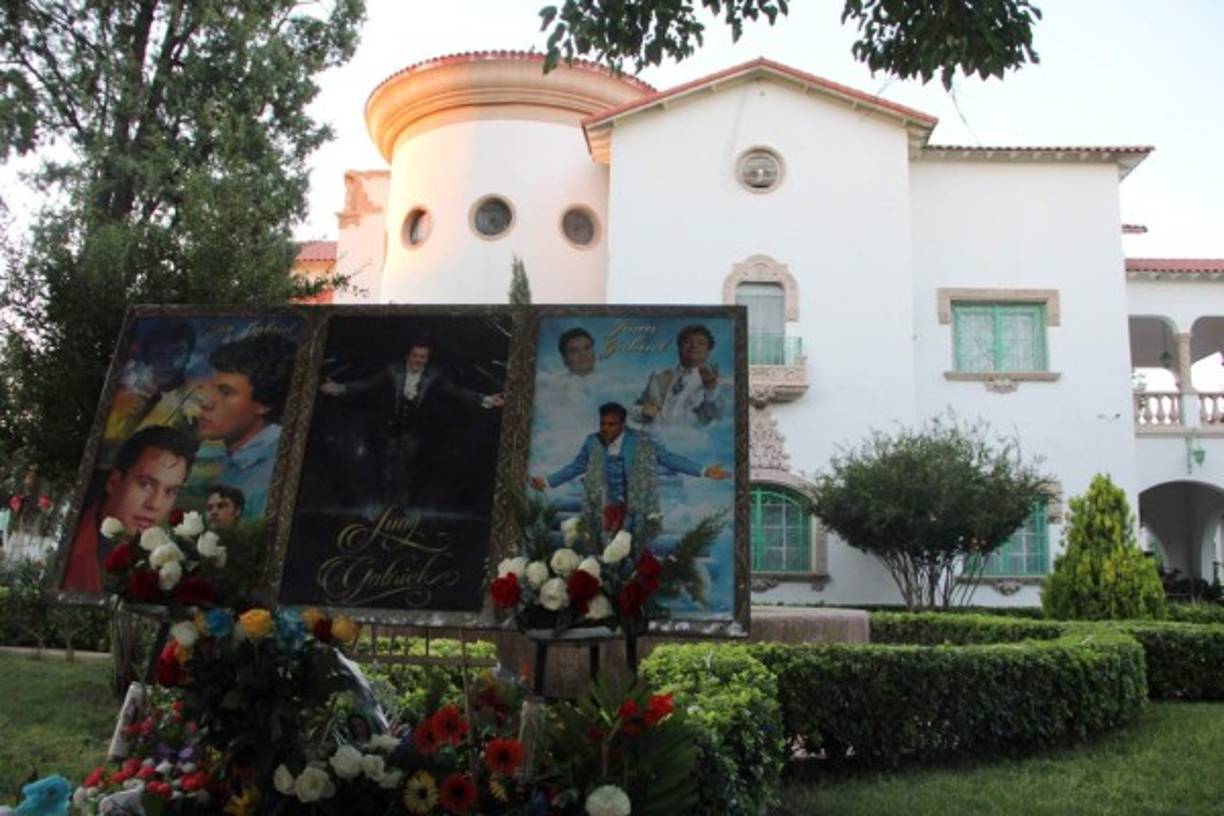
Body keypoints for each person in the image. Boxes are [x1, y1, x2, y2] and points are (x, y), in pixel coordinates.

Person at [320, 341, 504, 504]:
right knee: (386, 467)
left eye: (423, 357)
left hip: (416, 428)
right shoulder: (393, 370)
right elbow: (367, 384)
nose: (418, 360)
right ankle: (386, 507)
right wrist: (338, 388)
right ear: (408, 356)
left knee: (407, 469)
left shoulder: (434, 375)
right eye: (415, 356)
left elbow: (457, 391)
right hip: (390, 425)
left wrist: (485, 399)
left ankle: (400, 508)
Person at [530, 402, 729, 536]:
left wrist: (704, 471)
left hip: (637, 507)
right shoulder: (592, 441)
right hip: (603, 507)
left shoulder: (641, 441)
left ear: (623, 424)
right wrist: (547, 482)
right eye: (603, 423)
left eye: (611, 424)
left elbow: (669, 459)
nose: (606, 428)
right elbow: (576, 466)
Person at [62, 426, 198, 593]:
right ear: (114, 481)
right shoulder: (71, 541)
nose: (154, 504)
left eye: (170, 492)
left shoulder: (165, 563)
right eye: (146, 484)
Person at [196, 332, 295, 518]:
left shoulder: (276, 466)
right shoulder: (235, 458)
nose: (206, 402)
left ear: (264, 403)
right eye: (210, 389)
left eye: (225, 392)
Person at [105, 321, 201, 446]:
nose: (168, 361)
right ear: (149, 356)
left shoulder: (193, 404)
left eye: (177, 352)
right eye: (160, 354)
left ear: (188, 356)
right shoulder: (126, 393)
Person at [637, 324, 728, 427]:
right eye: (687, 342)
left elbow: (718, 418)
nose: (694, 346)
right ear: (679, 347)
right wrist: (643, 411)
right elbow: (639, 407)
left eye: (700, 343)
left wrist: (711, 388)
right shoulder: (658, 377)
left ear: (708, 351)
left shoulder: (720, 382)